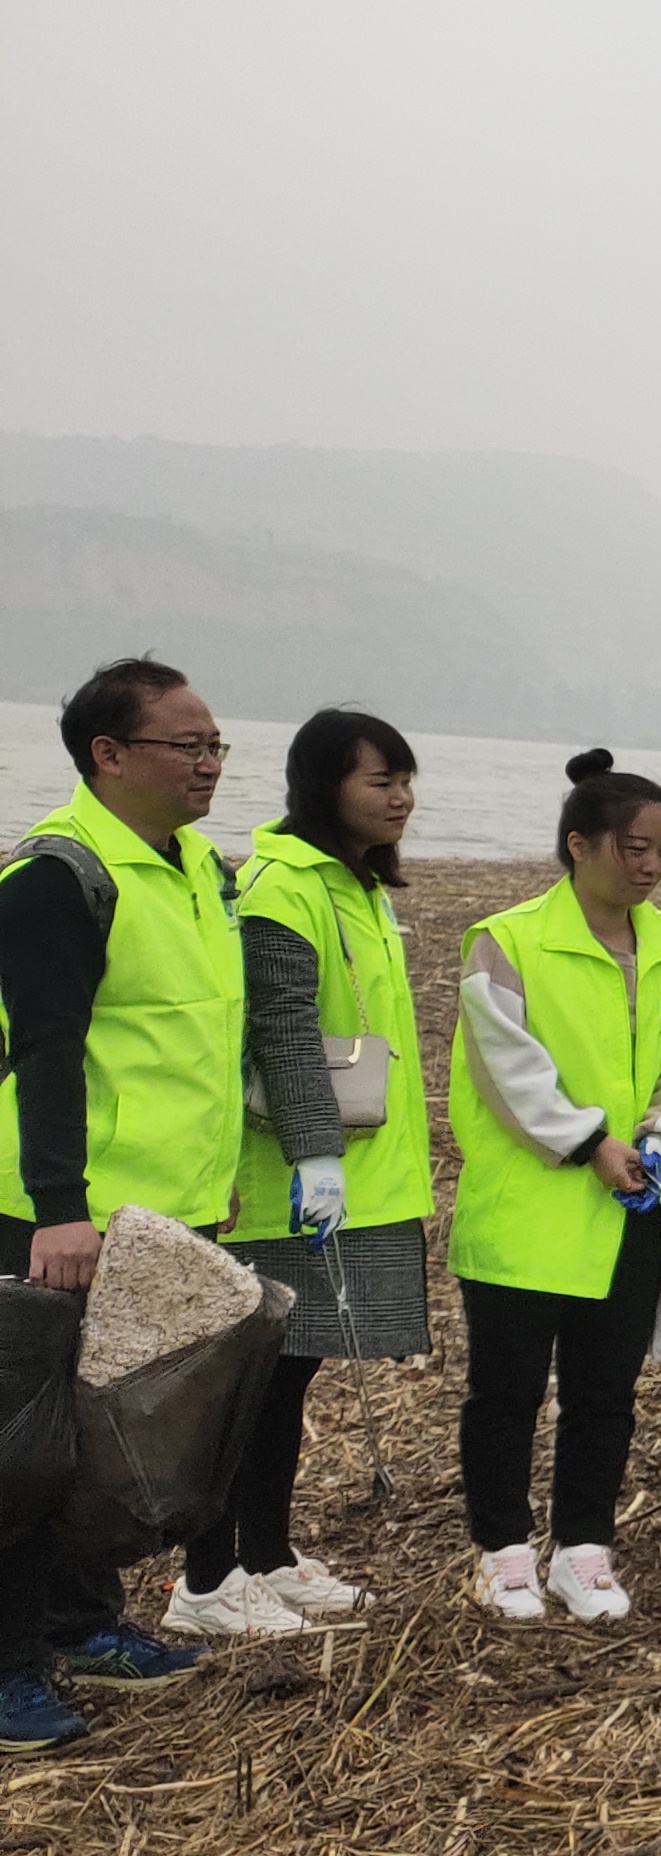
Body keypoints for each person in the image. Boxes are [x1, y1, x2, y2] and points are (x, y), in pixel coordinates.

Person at [0, 660, 234, 1745]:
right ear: (109, 753)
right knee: (22, 1453)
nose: (209, 763)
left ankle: (84, 1622)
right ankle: (7, 1665)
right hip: (62, 1217)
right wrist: (58, 1206)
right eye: (187, 744)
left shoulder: (191, 866)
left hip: (168, 1214)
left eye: (216, 745)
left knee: (109, 1443)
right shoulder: (59, 873)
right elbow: (44, 1052)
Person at [177, 708, 437, 1636]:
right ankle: (205, 1580)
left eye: (406, 780)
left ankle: (266, 1556)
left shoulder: (357, 886)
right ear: (323, 786)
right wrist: (313, 1152)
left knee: (292, 1375)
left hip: (345, 1176)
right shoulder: (286, 885)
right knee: (249, 1384)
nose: (402, 797)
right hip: (286, 1180)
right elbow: (283, 1026)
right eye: (381, 781)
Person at [446, 749, 661, 1624]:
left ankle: (585, 1549)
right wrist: (590, 1141)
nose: (649, 866)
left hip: (631, 1207)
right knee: (507, 1391)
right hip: (530, 1211)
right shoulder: (508, 938)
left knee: (604, 1390)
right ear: (579, 845)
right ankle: (504, 1552)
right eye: (634, 848)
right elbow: (508, 1069)